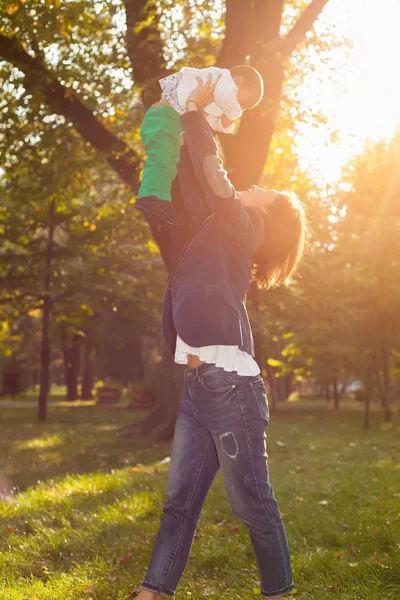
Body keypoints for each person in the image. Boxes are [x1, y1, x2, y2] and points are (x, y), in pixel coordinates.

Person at [134, 75, 308, 600]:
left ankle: (278, 593)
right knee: (178, 503)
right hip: (198, 389)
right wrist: (189, 120)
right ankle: (153, 592)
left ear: (266, 216)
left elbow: (216, 179)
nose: (255, 186)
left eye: (265, 192)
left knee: (251, 505)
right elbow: (201, 182)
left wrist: (193, 115)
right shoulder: (222, 224)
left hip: (231, 390)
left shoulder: (246, 226)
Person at [135, 65, 264, 223]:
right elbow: (225, 97)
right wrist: (233, 113)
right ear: (238, 81)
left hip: (171, 124)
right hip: (162, 115)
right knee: (161, 159)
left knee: (170, 163)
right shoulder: (221, 79)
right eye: (245, 102)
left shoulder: (218, 103)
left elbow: (215, 123)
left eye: (245, 108)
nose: (241, 109)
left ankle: (159, 202)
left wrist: (226, 122)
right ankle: (148, 198)